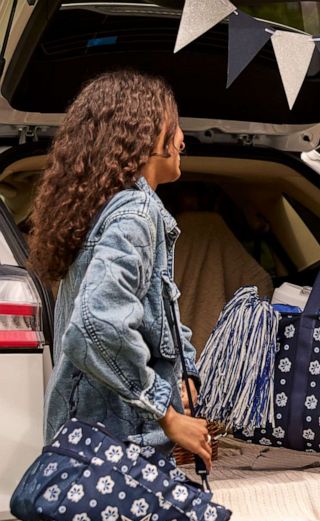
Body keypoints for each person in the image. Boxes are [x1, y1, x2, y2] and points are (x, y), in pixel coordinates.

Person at [30, 70, 212, 469]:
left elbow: (154, 312)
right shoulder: (136, 214)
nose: (183, 139)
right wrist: (166, 413)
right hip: (118, 445)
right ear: (147, 135)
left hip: (86, 436)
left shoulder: (101, 208)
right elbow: (96, 325)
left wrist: (185, 372)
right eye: (174, 125)